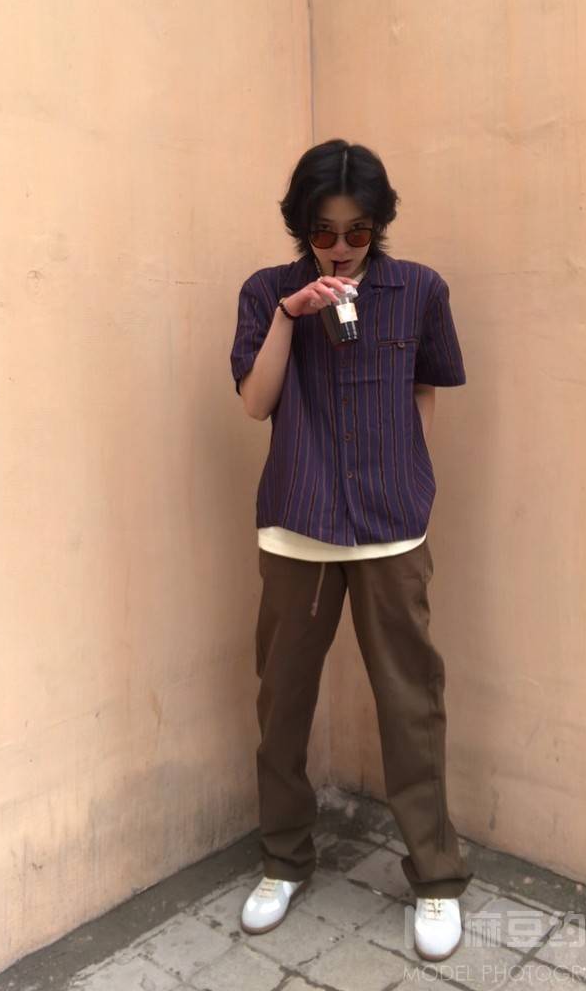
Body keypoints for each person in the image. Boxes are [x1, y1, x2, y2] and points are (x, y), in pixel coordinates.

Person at [229, 139, 473, 960]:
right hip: (296, 526)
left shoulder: (419, 290)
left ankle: (435, 878)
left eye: (357, 231)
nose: (339, 246)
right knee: (283, 703)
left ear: (380, 224)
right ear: (301, 227)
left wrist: (412, 477)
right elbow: (256, 404)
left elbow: (424, 388)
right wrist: (288, 316)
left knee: (412, 703)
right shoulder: (267, 291)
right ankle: (283, 859)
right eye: (323, 231)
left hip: (391, 528)